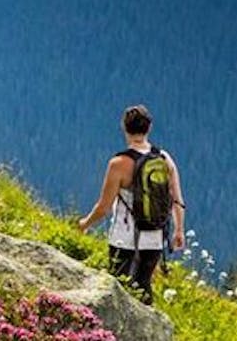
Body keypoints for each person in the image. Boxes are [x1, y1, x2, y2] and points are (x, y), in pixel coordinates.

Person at [77, 105, 186, 304]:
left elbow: (104, 207)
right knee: (143, 288)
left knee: (118, 292)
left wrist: (85, 224)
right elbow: (177, 199)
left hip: (124, 239)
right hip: (155, 236)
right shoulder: (164, 158)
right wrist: (179, 231)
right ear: (149, 127)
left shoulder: (118, 164)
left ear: (124, 128)